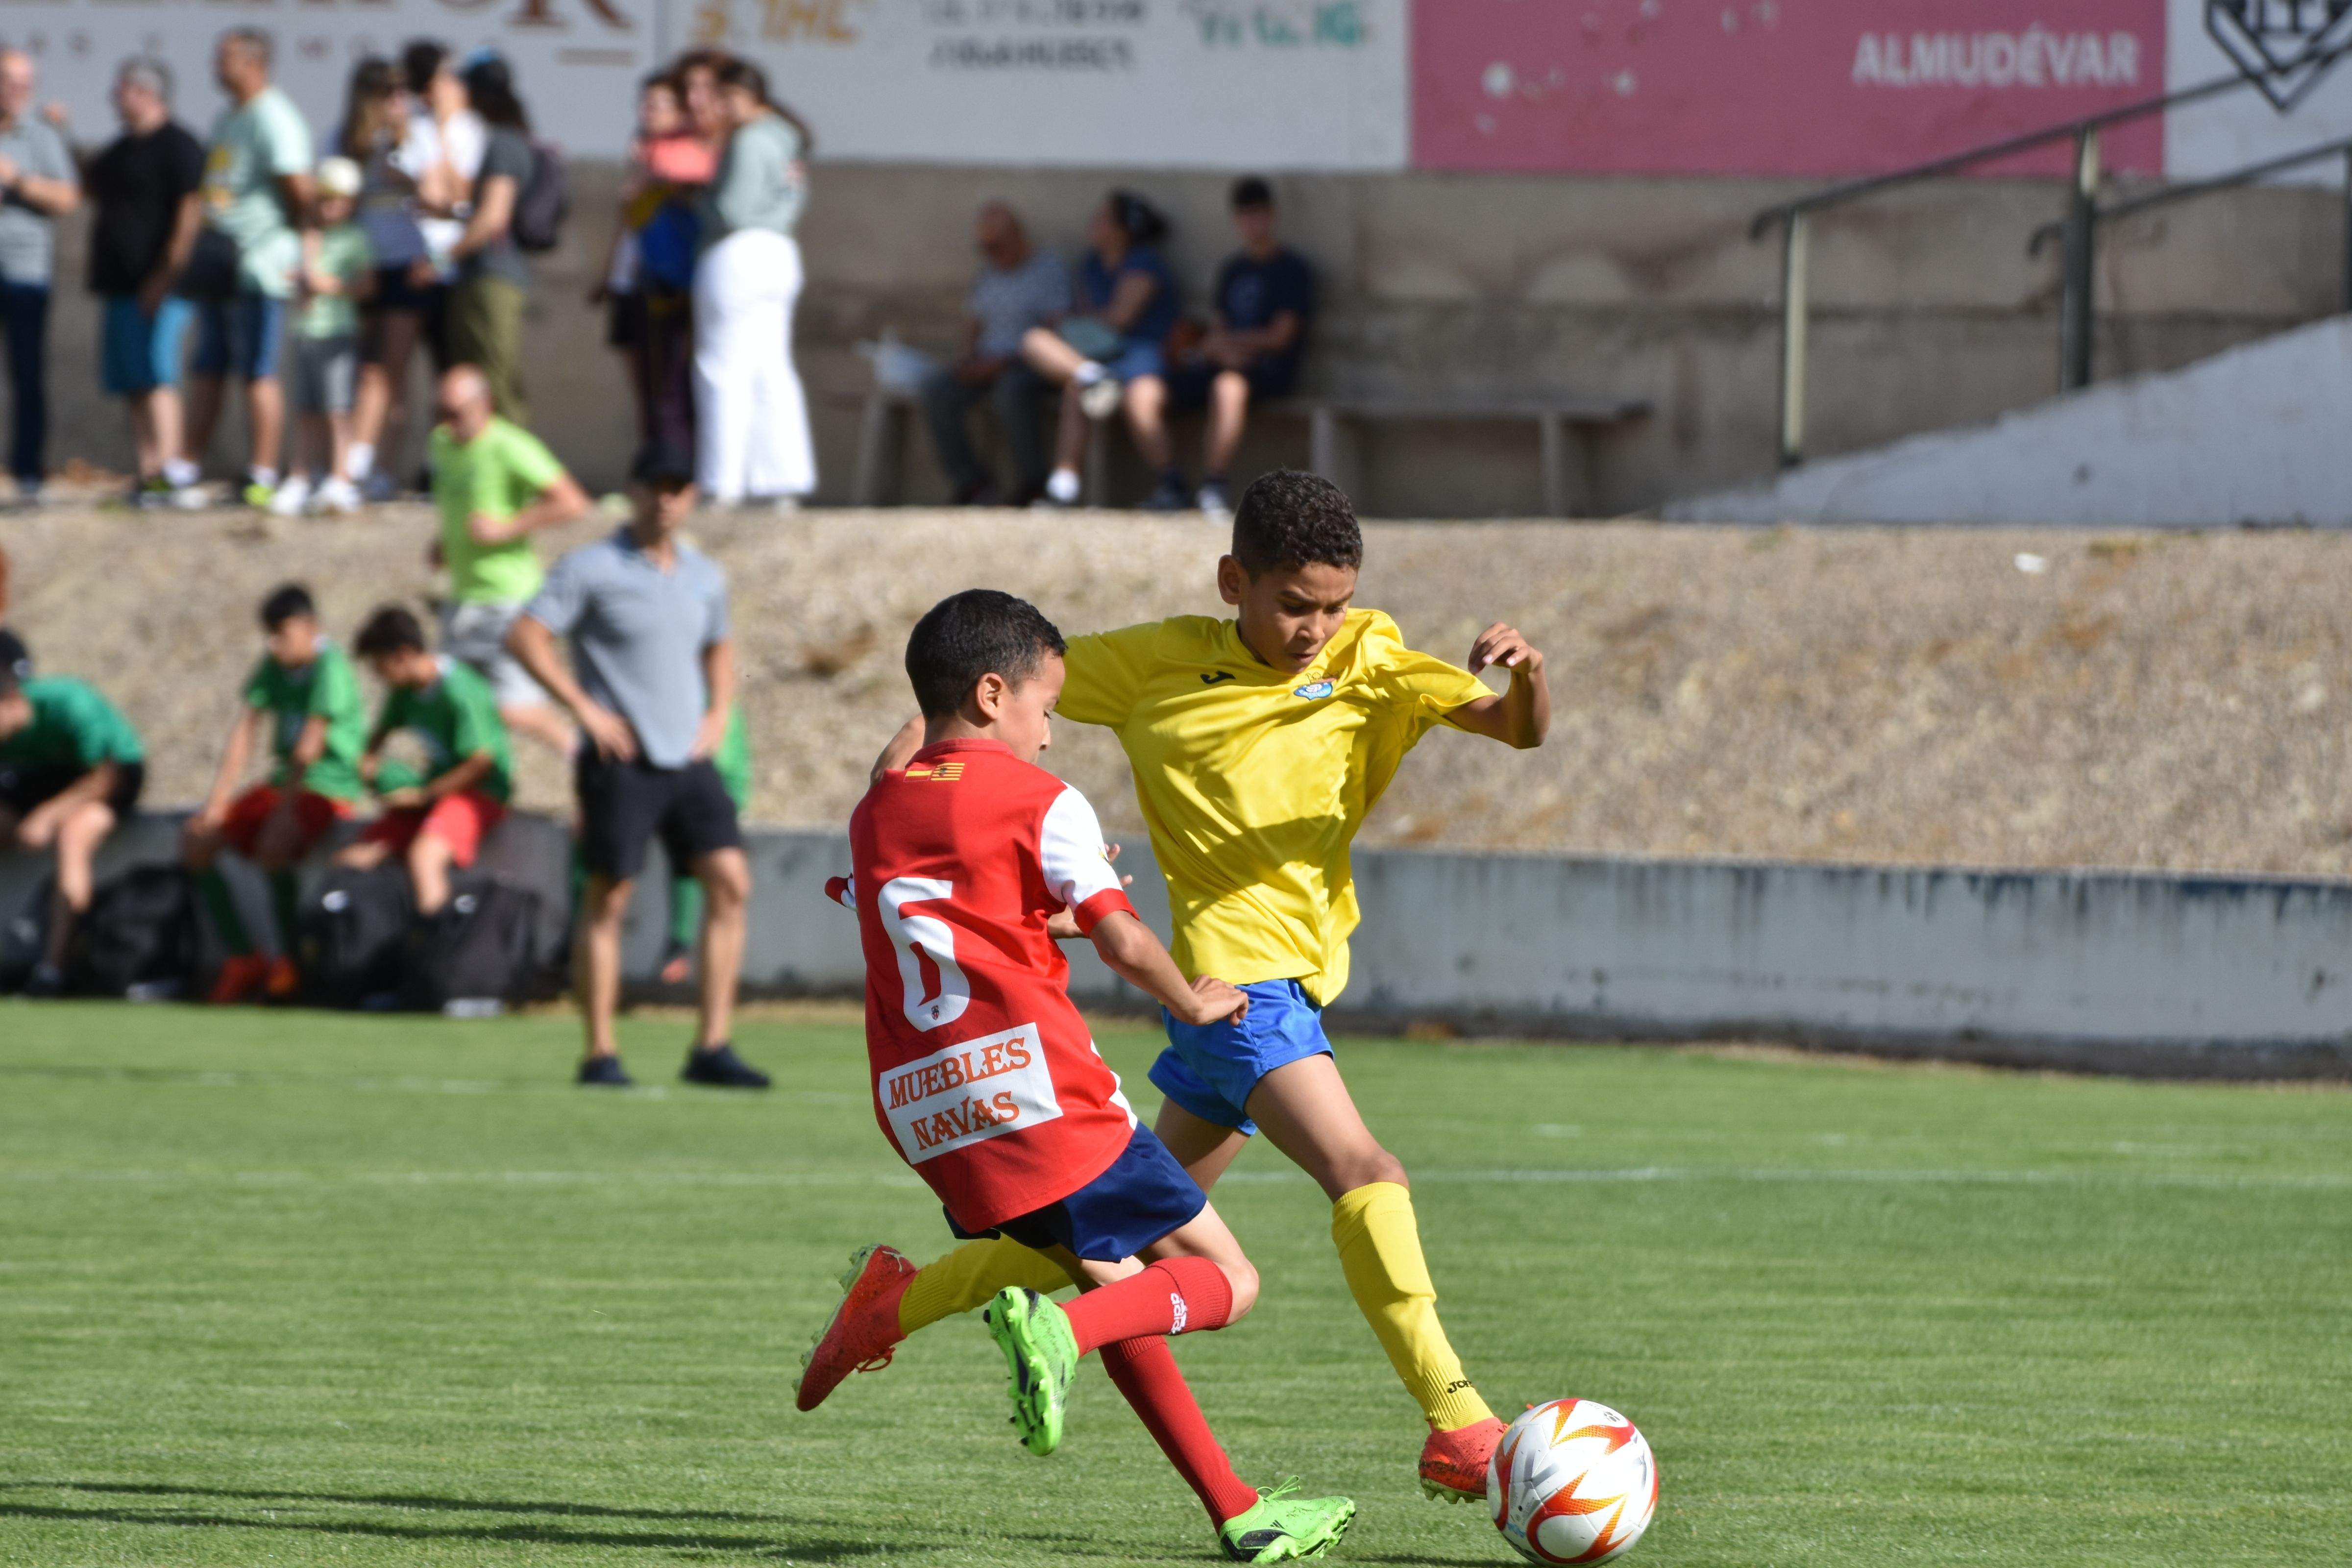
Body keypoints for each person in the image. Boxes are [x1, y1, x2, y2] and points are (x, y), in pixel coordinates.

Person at [805, 471, 1553, 1505]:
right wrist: (908, 803)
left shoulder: (1369, 654)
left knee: (1101, 1239)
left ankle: (892, 1306)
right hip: (1234, 987)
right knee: (1364, 1168)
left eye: (1333, 604)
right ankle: (1459, 1422)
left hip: (1284, 978)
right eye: (1295, 604)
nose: (1315, 628)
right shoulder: (1156, 664)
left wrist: (1525, 677)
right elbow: (970, 711)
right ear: (1233, 581)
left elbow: (1515, 729)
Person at [815, 588, 1356, 1563]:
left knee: (1112, 1279)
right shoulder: (1040, 801)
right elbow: (1119, 935)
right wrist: (1191, 1001)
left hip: (933, 1115)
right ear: (991, 694)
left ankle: (1240, 1512)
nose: (1052, 735)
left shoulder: (878, 813)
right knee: (1223, 1279)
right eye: (1045, 706)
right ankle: (1058, 1336)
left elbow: (951, 906)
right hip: (1040, 1094)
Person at [507, 445, 769, 1091]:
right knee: (610, 895)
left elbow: (720, 648)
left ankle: (712, 1046)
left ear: (691, 497)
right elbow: (526, 634)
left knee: (731, 883)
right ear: (633, 490)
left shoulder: (705, 575)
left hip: (689, 757)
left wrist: (719, 714)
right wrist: (583, 712)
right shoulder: (592, 567)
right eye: (656, 487)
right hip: (622, 758)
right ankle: (600, 1051)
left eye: (679, 487)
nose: (667, 499)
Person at [183, 583, 368, 1004]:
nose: (273, 644)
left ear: (309, 628)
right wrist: (217, 803)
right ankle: (243, 958)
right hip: (284, 783)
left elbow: (312, 741)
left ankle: (289, 963)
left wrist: (285, 811)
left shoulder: (330, 666)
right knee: (197, 842)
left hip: (325, 786)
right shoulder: (274, 664)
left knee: (273, 846)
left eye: (281, 634)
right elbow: (245, 728)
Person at [425, 364, 588, 755]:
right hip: (462, 599)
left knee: (515, 708)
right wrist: (444, 544)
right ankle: (475, 793)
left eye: (456, 413)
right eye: (440, 413)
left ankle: (582, 755)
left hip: (508, 600)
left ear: (485, 404)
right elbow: (459, 505)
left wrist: (509, 527)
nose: (448, 423)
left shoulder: (510, 446)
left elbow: (572, 502)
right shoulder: (441, 445)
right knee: (453, 703)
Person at [184, 28, 313, 509]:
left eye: (227, 58)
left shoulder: (274, 117)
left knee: (258, 369)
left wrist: (296, 254)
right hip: (220, 265)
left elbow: (301, 192)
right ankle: (185, 466)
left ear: (255, 63)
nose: (217, 65)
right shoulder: (228, 117)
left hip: (259, 264)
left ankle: (261, 470)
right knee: (208, 366)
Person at [692, 59, 815, 510]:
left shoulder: (748, 139)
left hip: (738, 252)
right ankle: (781, 481)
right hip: (780, 251)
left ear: (744, 97)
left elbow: (732, 209)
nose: (717, 107)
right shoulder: (788, 138)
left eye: (723, 96)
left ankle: (723, 482)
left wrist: (697, 199)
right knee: (771, 369)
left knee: (723, 368)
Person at [338, 604, 513, 918]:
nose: (379, 677)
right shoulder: (404, 691)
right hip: (434, 792)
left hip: (479, 794)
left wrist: (424, 797)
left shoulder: (461, 689)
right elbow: (378, 735)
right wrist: (370, 768)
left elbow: (481, 761)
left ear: (403, 655)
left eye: (379, 666)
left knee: (424, 857)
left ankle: (440, 949)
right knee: (357, 856)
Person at [84, 57, 205, 509]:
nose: (117, 96)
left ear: (145, 91)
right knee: (132, 381)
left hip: (160, 289)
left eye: (124, 88)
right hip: (119, 286)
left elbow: (188, 218)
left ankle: (172, 471)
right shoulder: (119, 150)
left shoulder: (179, 146)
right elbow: (87, 186)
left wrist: (165, 277)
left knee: (158, 376)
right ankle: (148, 471)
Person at [1165, 177, 1312, 518]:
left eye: (1258, 214)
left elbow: (1281, 338)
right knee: (1149, 389)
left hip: (1270, 370)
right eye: (1245, 215)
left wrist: (1230, 346)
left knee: (1227, 386)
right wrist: (1216, 348)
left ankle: (1214, 485)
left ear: (1271, 216)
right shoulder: (1233, 269)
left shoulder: (1291, 269)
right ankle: (1170, 484)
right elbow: (1218, 329)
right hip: (1227, 362)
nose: (1252, 223)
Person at [1022, 190, 1178, 511]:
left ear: (1122, 230)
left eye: (1101, 218)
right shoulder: (1090, 264)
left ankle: (1172, 484)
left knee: (1140, 399)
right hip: (1095, 359)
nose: (1093, 224)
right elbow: (1087, 318)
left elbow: (1120, 319)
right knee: (1038, 346)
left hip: (1140, 358)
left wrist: (1074, 323)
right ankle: (1064, 488)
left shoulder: (1144, 263)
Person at [0, 662, 145, 996]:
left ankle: (53, 970)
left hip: (111, 777)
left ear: (11, 701)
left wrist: (48, 816)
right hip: (49, 778)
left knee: (73, 834)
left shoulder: (69, 704)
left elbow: (107, 776)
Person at [918, 201, 1067, 506]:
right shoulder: (987, 273)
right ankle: (973, 484)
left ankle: (1035, 485)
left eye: (997, 246)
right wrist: (967, 359)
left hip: (1027, 364)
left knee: (1010, 392)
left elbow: (1056, 332)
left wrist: (1003, 364)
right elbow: (974, 323)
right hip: (986, 361)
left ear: (1017, 237)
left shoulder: (1048, 270)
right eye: (985, 247)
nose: (991, 253)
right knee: (936, 390)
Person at [0, 49, 79, 506]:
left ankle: (28, 473)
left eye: (25, 82)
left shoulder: (42, 133)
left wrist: (20, 180)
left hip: (25, 274)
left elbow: (68, 197)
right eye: (9, 81)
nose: (18, 90)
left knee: (27, 376)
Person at [273, 156, 372, 516]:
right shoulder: (307, 236)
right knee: (305, 410)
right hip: (305, 332)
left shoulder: (354, 238)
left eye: (337, 202)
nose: (329, 208)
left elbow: (366, 284)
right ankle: (301, 477)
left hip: (337, 333)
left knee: (337, 410)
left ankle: (340, 478)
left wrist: (328, 285)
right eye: (324, 200)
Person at [445, 54, 534, 423]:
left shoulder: (503, 143)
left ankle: (519, 475)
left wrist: (446, 255)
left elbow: (493, 215)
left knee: (495, 381)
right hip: (485, 275)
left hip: (493, 276)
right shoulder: (504, 138)